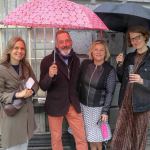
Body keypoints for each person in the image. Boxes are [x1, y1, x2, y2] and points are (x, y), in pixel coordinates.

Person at [39, 30, 88, 150]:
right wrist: (49, 75)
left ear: (71, 42)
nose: (65, 44)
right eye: (61, 42)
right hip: (55, 104)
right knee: (56, 139)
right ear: (56, 44)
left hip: (73, 103)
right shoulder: (47, 61)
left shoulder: (75, 59)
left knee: (81, 137)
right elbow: (43, 86)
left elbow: (76, 83)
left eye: (67, 41)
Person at [111, 26, 150, 150]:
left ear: (145, 36)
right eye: (132, 39)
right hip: (125, 103)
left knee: (137, 136)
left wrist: (142, 80)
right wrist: (120, 64)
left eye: (138, 37)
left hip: (141, 105)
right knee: (121, 135)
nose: (135, 41)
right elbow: (122, 78)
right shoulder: (129, 57)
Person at [0, 36, 39, 150]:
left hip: (27, 114)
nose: (19, 51)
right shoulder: (2, 69)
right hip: (12, 114)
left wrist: (31, 91)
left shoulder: (26, 65)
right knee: (13, 146)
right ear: (9, 50)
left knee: (23, 146)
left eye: (22, 48)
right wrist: (18, 94)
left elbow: (35, 83)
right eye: (16, 48)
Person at [78, 40, 116, 150]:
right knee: (90, 137)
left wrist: (105, 111)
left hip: (98, 109)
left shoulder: (109, 70)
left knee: (98, 139)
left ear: (106, 53)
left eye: (101, 50)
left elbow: (110, 92)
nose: (98, 52)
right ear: (92, 51)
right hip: (84, 107)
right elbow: (78, 82)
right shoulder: (85, 64)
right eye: (96, 49)